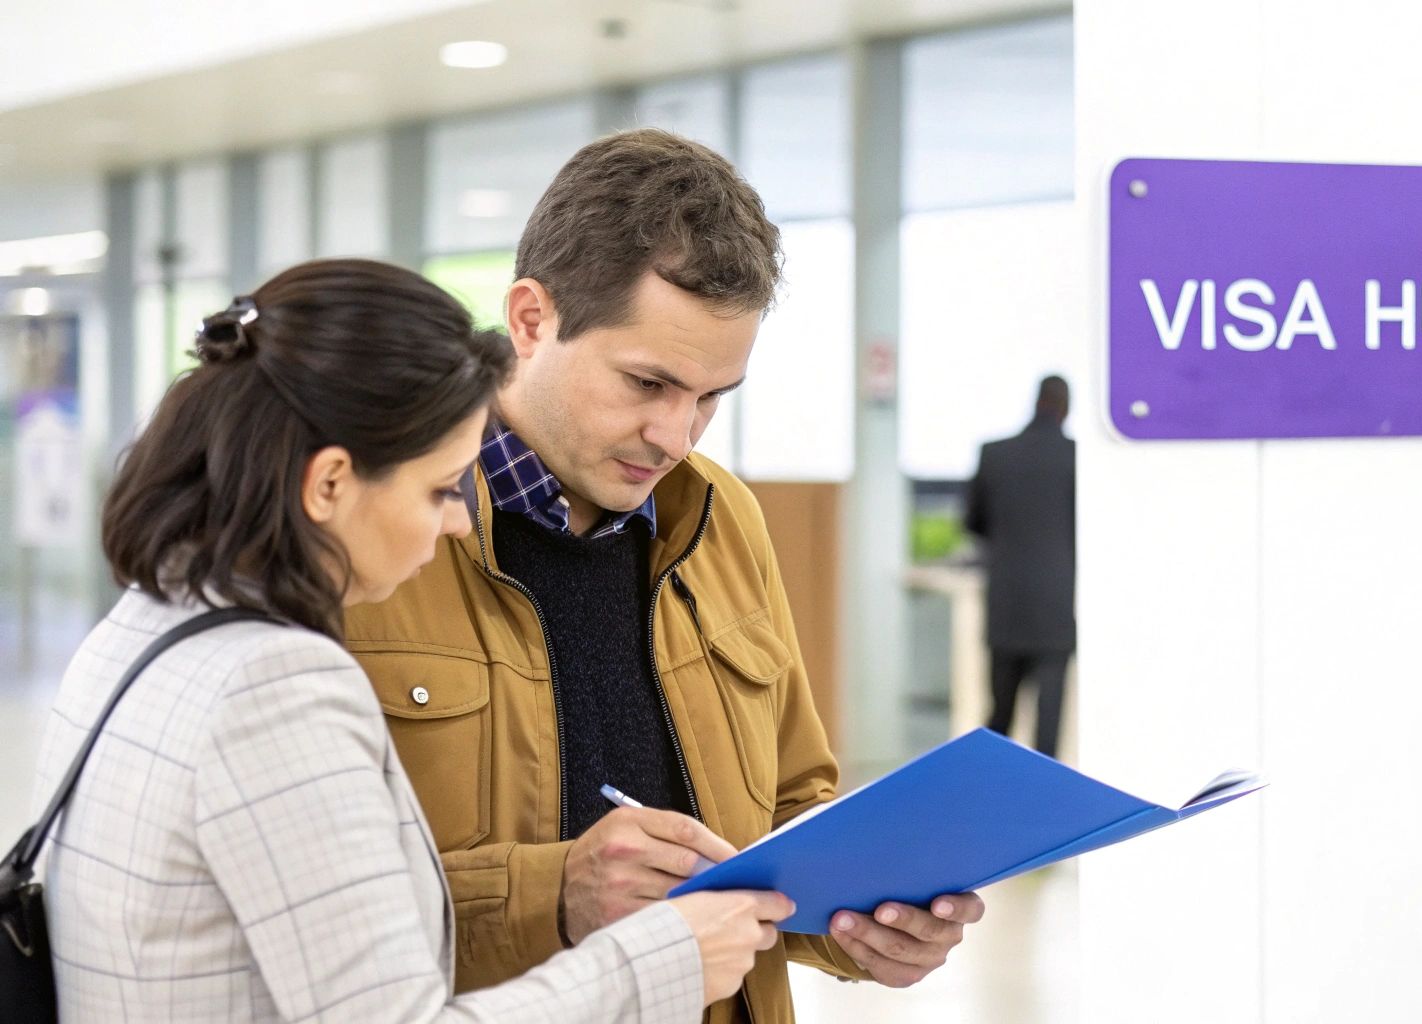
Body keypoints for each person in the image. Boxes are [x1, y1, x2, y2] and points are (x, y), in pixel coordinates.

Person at [29, 259, 791, 1022]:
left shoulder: (140, 630)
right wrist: (664, 959)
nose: (460, 519)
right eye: (440, 490)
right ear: (329, 485)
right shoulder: (273, 684)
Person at [343, 128, 983, 1024]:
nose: (677, 437)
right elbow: (300, 907)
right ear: (531, 320)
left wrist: (859, 922)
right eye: (647, 383)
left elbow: (793, 803)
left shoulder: (722, 517)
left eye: (713, 396)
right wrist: (551, 894)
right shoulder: (369, 535)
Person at [965, 375, 1077, 759]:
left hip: (1006, 606)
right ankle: (1047, 808)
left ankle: (994, 802)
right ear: (1065, 408)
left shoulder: (995, 454)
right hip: (1058, 611)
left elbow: (973, 523)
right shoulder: (1077, 459)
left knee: (1000, 718)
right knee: (1049, 725)